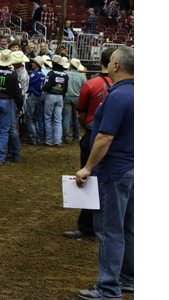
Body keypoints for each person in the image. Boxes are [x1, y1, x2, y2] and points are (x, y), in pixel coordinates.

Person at [74, 47, 134, 299]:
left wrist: (87, 167)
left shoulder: (118, 96)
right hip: (132, 167)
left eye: (109, 62)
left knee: (110, 230)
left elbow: (104, 137)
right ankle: (128, 278)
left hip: (114, 170)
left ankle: (108, 287)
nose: (107, 65)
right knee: (129, 227)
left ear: (117, 66)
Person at [64, 48, 115, 242]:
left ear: (100, 61)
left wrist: (87, 129)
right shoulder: (128, 86)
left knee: (88, 178)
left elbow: (81, 115)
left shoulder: (91, 84)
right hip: (118, 137)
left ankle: (87, 226)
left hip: (94, 133)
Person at [43, 55, 70, 147]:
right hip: (60, 97)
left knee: (48, 118)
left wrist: (42, 87)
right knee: (58, 119)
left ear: (53, 63)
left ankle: (49, 140)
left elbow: (47, 86)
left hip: (51, 96)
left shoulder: (51, 74)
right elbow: (65, 88)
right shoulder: (65, 75)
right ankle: (58, 141)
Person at [63, 58, 87, 143]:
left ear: (70, 66)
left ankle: (67, 136)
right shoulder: (82, 76)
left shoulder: (65, 74)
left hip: (67, 96)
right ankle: (76, 136)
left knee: (66, 117)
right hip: (77, 97)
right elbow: (85, 88)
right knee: (76, 117)